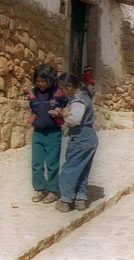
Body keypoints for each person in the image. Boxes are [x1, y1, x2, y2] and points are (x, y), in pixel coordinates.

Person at [53, 72, 98, 213]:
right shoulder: (85, 97)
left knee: (70, 168)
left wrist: (62, 115)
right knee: (83, 168)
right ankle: (80, 199)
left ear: (70, 86)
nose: (62, 92)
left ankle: (65, 200)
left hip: (81, 136)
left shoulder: (78, 100)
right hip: (90, 136)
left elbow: (75, 120)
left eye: (63, 89)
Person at [28, 65, 67, 204]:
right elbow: (33, 109)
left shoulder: (58, 93)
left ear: (50, 80)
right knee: (36, 163)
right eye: (38, 81)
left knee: (52, 163)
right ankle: (39, 189)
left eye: (43, 81)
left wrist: (60, 112)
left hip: (53, 134)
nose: (40, 84)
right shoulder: (32, 93)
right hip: (38, 133)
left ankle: (52, 191)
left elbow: (67, 107)